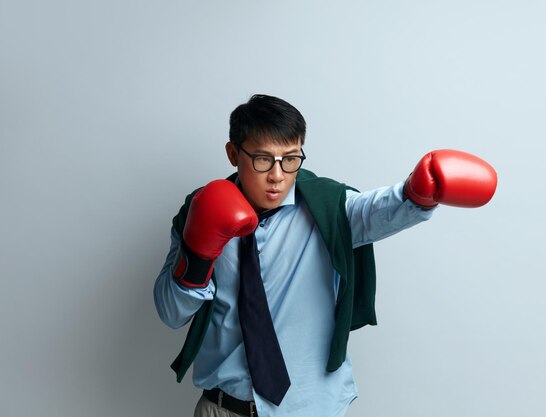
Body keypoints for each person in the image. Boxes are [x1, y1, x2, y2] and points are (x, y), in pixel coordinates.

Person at [153, 94, 497, 417]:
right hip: (222, 408)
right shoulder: (198, 210)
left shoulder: (328, 208)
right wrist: (197, 255)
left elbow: (378, 209)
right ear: (233, 153)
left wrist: (417, 193)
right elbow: (171, 313)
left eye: (290, 159)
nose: (277, 175)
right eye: (262, 159)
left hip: (309, 408)